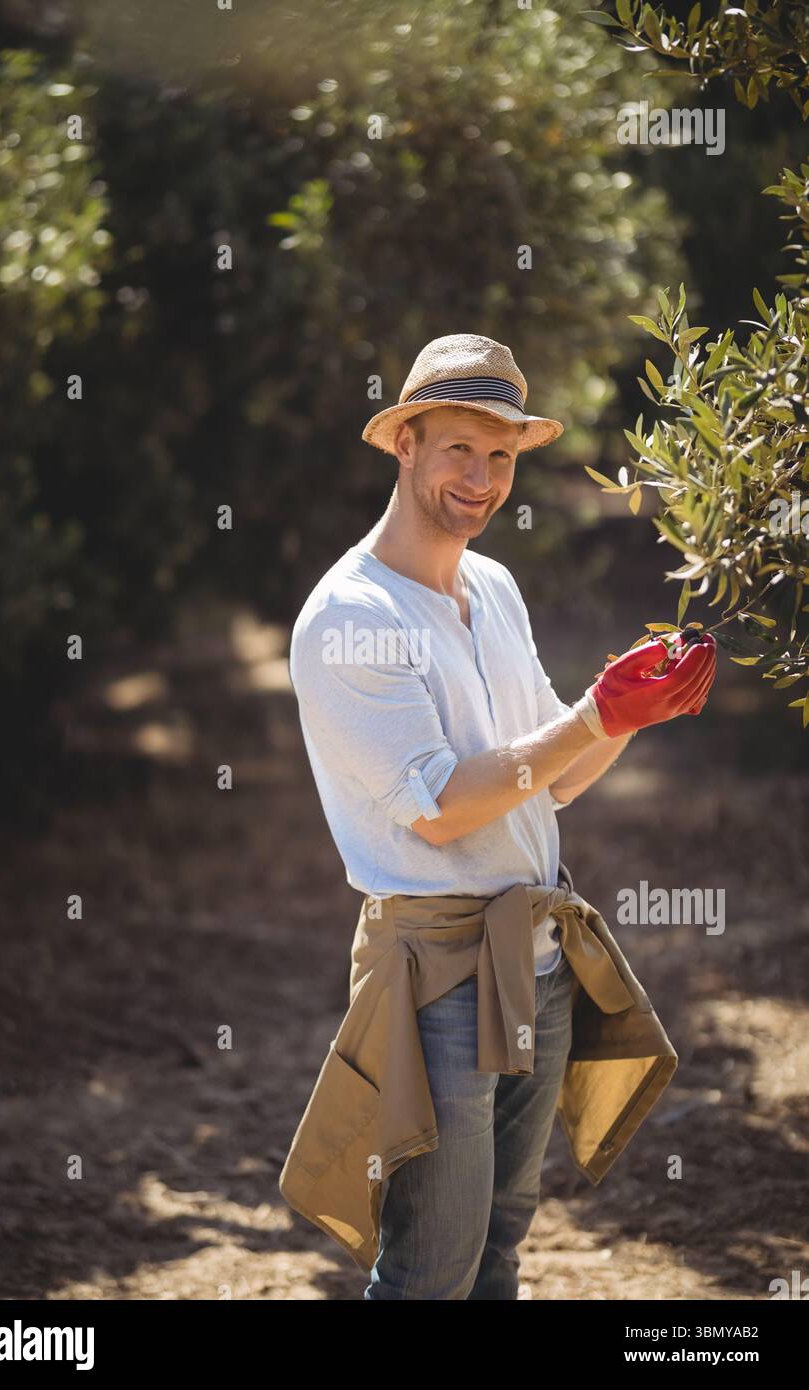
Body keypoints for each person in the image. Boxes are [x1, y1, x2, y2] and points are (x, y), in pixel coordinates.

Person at [285, 333, 717, 1299]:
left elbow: (547, 777)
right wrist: (592, 716)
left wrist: (628, 714)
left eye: (503, 456)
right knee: (431, 1265)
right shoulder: (350, 616)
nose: (481, 479)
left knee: (500, 1251)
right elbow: (441, 807)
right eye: (458, 450)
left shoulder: (493, 586)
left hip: (539, 960)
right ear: (405, 443)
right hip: (438, 977)